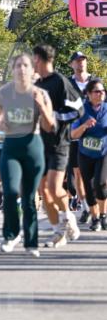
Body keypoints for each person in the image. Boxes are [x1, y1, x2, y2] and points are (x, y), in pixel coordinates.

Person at [0, 53, 55, 255]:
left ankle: (31, 243)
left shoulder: (40, 93)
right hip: (11, 145)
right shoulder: (5, 91)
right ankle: (10, 236)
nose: (21, 69)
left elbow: (49, 125)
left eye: (25, 65)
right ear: (13, 69)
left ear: (32, 69)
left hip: (33, 145)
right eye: (18, 65)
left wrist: (42, 106)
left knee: (28, 197)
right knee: (9, 192)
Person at [32, 44, 84, 247]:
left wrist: (53, 116)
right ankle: (58, 232)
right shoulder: (36, 84)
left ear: (41, 59)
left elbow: (78, 110)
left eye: (34, 60)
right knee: (43, 190)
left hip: (59, 142)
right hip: (39, 144)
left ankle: (68, 218)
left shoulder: (60, 82)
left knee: (53, 188)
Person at [70, 78, 107, 232]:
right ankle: (95, 218)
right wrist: (84, 126)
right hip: (85, 154)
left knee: (100, 183)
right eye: (97, 91)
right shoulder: (81, 110)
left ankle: (103, 215)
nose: (101, 94)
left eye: (103, 91)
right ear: (89, 94)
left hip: (103, 153)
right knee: (89, 186)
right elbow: (72, 134)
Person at [68, 51, 92, 222]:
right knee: (78, 173)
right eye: (77, 61)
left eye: (82, 60)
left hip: (94, 133)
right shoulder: (67, 84)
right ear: (72, 64)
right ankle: (85, 207)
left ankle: (96, 204)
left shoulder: (95, 82)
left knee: (95, 173)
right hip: (74, 133)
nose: (80, 63)